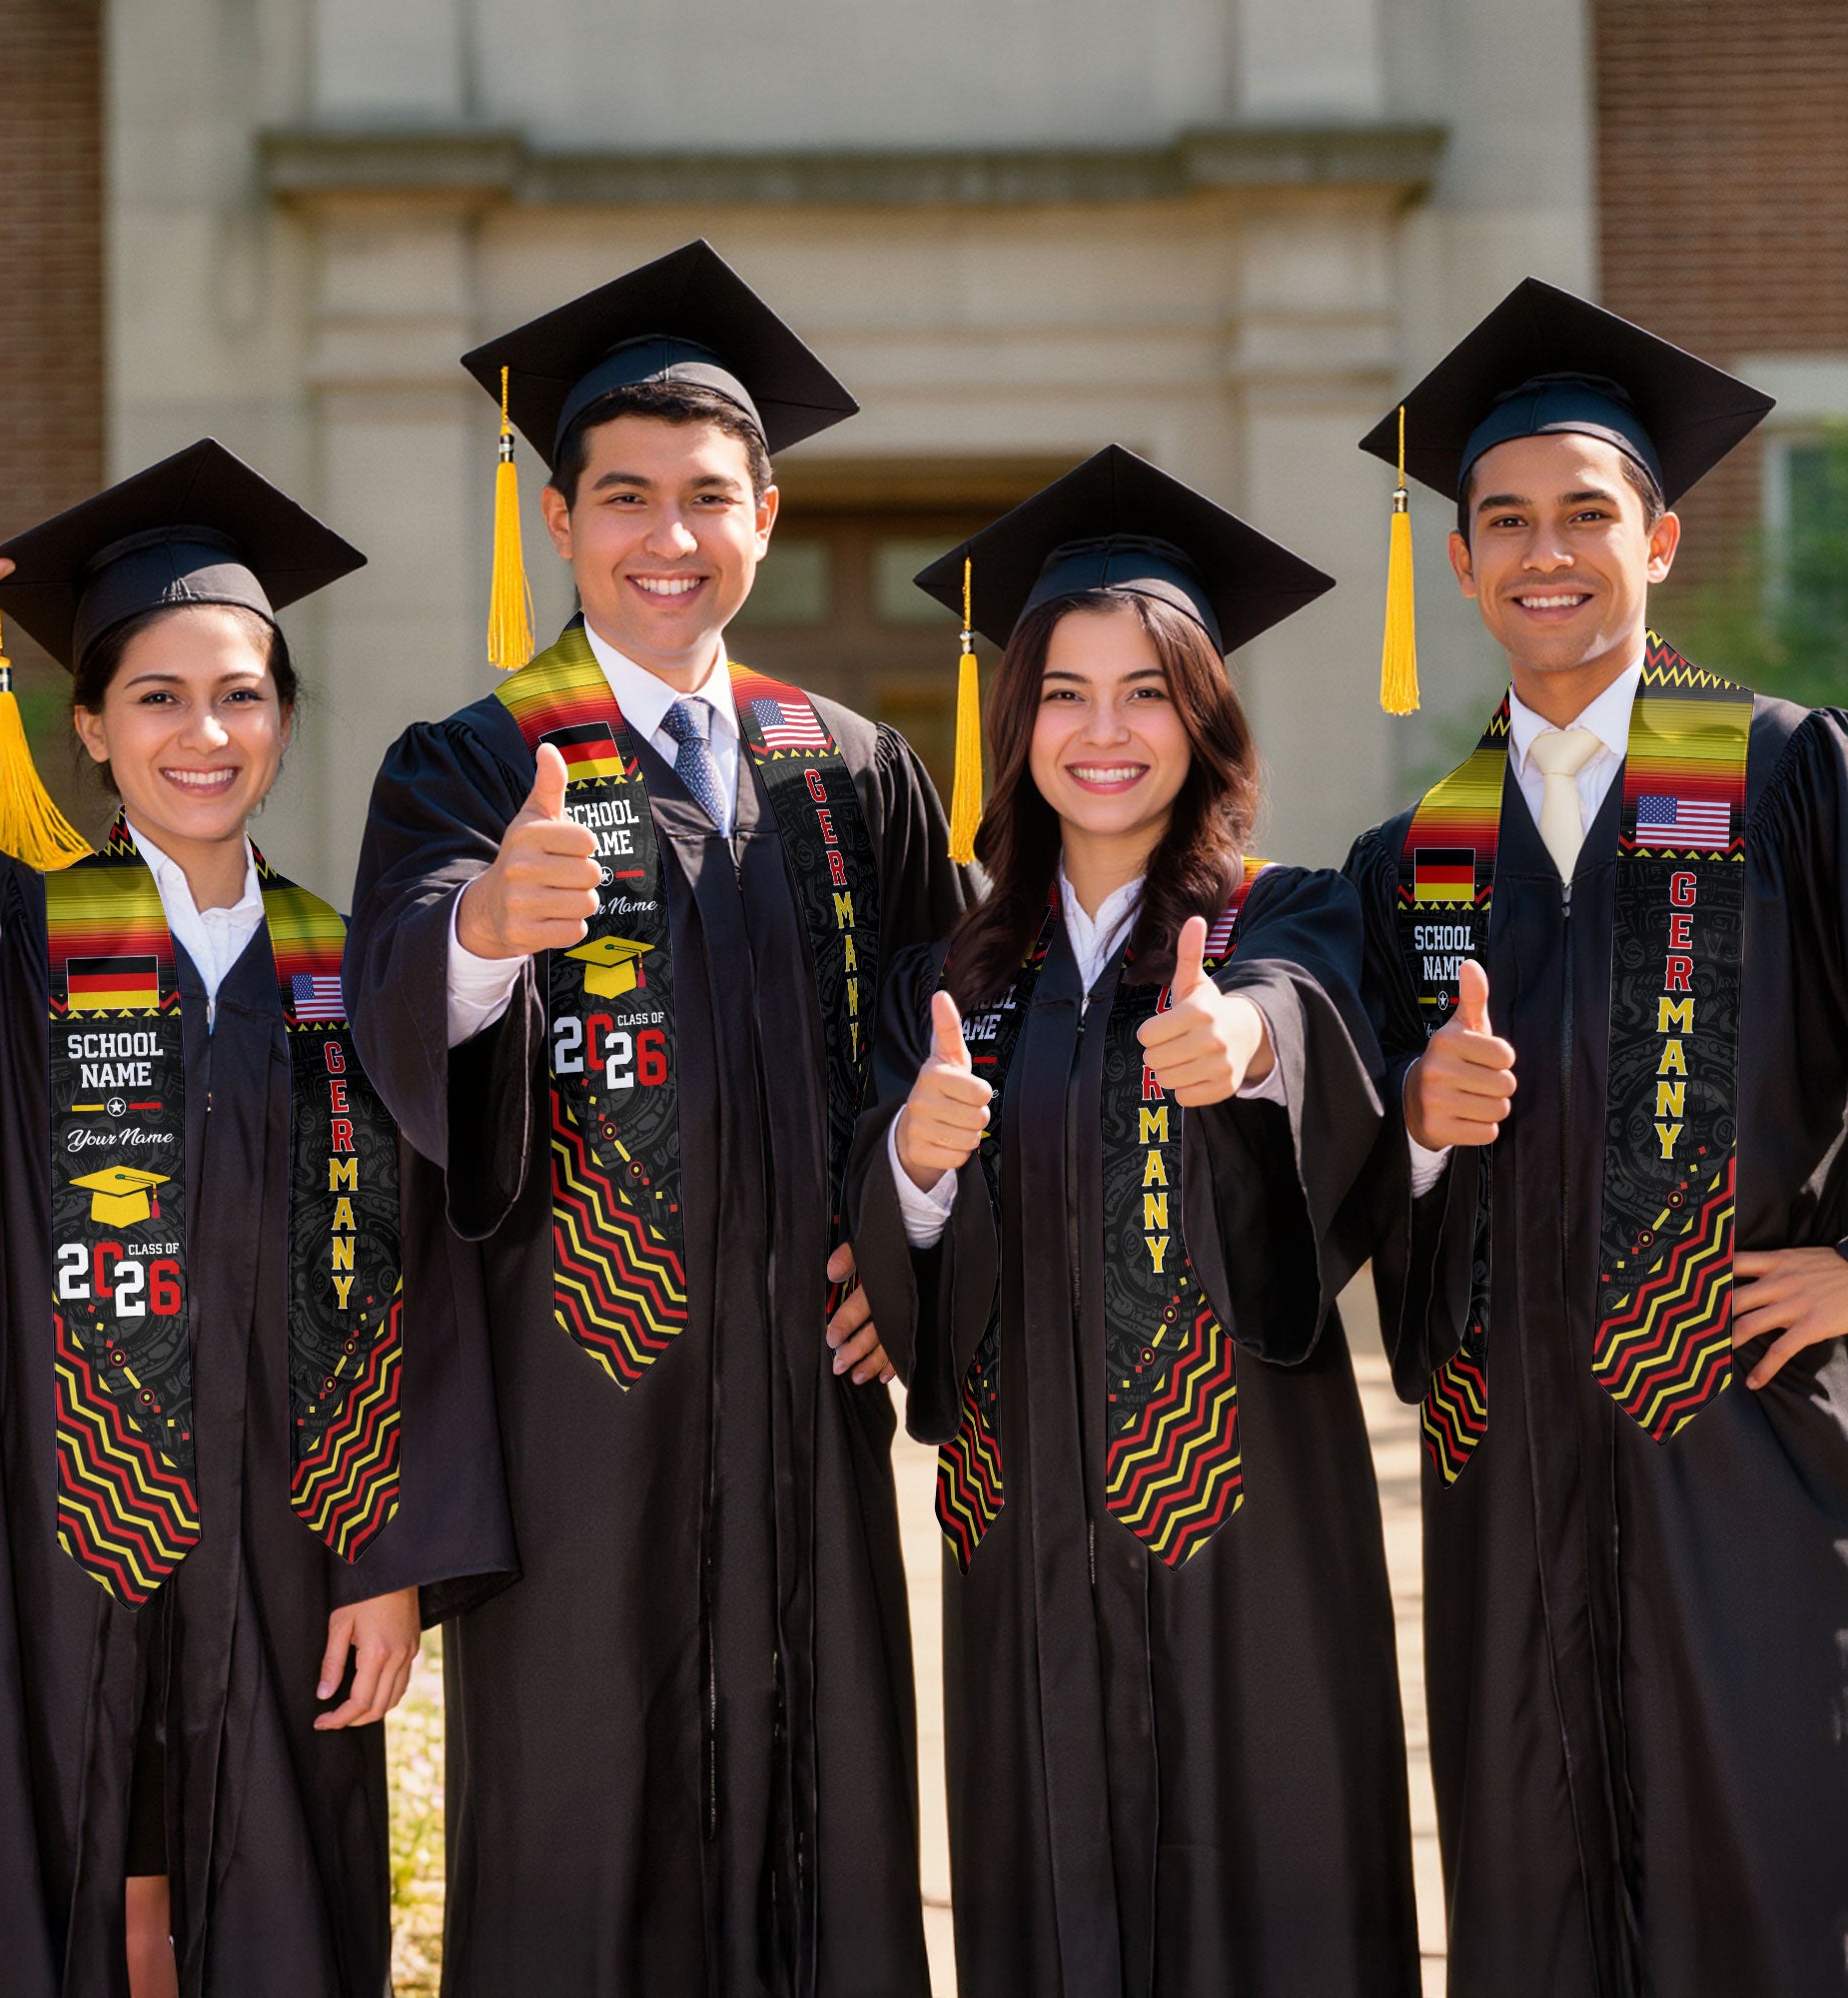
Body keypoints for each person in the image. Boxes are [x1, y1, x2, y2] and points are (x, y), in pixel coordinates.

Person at [346, 241, 971, 1997]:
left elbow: (947, 1036)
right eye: (624, 497)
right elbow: (396, 1003)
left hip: (806, 1405)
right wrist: (484, 930)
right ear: (559, 522)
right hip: (580, 1406)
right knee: (584, 1831)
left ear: (766, 515)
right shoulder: (473, 762)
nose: (667, 536)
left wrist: (907, 1250)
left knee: (823, 1818)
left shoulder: (851, 767)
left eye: (707, 497)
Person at [0, 440, 513, 1998]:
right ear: (89, 725)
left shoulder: (353, 972)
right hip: (43, 1529)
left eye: (241, 695)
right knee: (52, 1874)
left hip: (290, 1543)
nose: (203, 733)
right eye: (156, 696)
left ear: (283, 717)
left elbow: (427, 1283)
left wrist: (391, 1559)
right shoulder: (7, 948)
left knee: (267, 1900)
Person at [848, 446, 1420, 1997]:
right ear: (1015, 723)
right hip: (1022, 1533)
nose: (1104, 732)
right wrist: (915, 1160)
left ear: (1205, 717)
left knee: (1271, 1905)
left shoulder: (1283, 915)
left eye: (1148, 693)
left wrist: (1245, 1045)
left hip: (1244, 1528)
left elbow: (1307, 1021)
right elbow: (894, 1248)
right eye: (1065, 694)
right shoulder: (952, 978)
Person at [1346, 279, 1848, 1997]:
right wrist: (1416, 1128)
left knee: (1768, 1879)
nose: (1544, 552)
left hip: (1747, 1445)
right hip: (1510, 1477)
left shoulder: (1787, 777)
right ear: (1461, 561)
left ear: (1662, 541)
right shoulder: (1418, 856)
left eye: (1585, 514)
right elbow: (1351, 1168)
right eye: (1504, 521)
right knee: (1533, 1890)